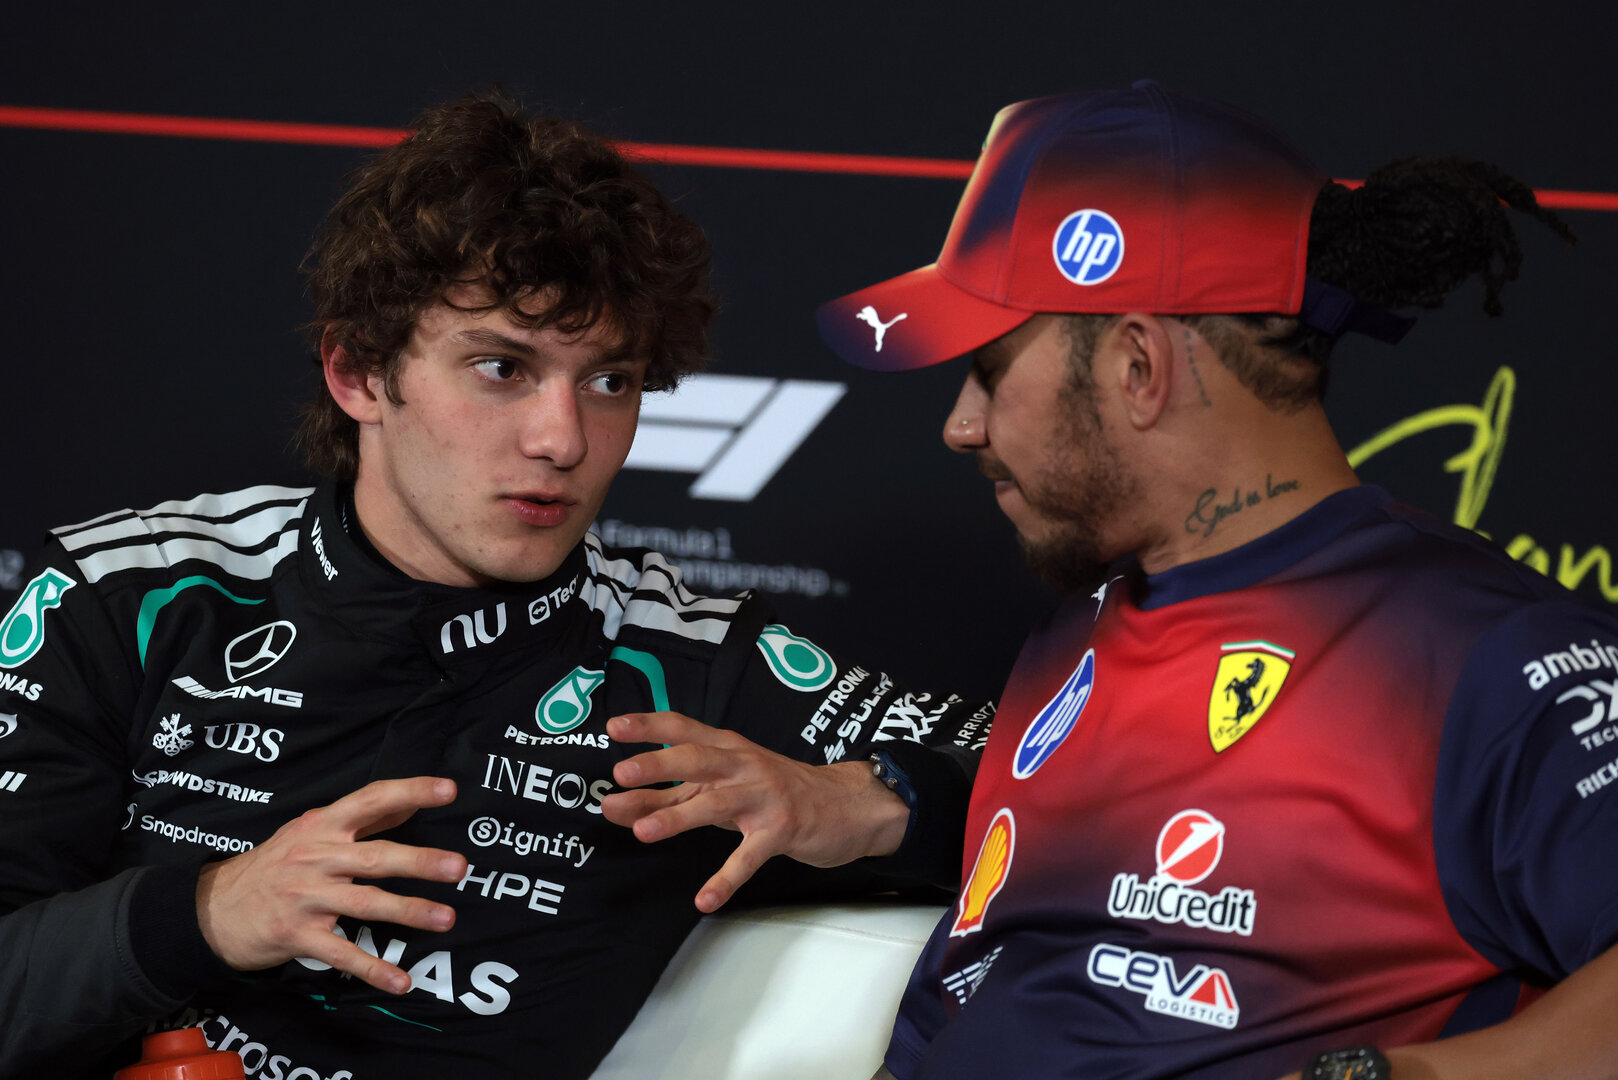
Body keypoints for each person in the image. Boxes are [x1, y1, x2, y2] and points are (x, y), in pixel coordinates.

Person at [0, 89, 988, 1079]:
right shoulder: (126, 598)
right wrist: (212, 911)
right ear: (356, 373)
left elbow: (1059, 778)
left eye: (609, 382)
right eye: (501, 369)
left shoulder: (684, 664)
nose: (563, 440)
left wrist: (869, 799)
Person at [815, 80, 1615, 1080]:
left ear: (1138, 367)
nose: (960, 426)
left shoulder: (1487, 656)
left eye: (988, 368)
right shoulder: (1073, 636)